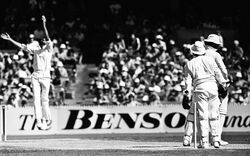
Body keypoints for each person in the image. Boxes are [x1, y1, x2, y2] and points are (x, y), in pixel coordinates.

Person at [0, 15, 53, 130]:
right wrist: (10, 39)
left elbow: (47, 36)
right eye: (43, 39)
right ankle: (39, 120)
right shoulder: (35, 48)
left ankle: (48, 119)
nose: (44, 39)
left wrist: (44, 24)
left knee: (45, 99)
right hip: (35, 75)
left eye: (45, 39)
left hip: (46, 76)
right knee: (36, 99)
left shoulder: (49, 48)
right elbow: (23, 47)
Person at [183, 41, 227, 148]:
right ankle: (216, 139)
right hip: (212, 88)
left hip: (200, 89)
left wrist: (186, 95)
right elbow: (218, 74)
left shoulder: (189, 64)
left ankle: (204, 141)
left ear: (192, 52)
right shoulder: (210, 60)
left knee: (203, 116)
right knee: (214, 114)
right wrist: (223, 85)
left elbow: (188, 83)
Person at [204, 34, 229, 146]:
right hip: (216, 85)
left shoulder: (200, 54)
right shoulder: (215, 54)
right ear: (215, 44)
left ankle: (203, 138)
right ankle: (217, 137)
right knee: (221, 111)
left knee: (204, 113)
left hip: (202, 86)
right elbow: (223, 69)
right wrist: (226, 82)